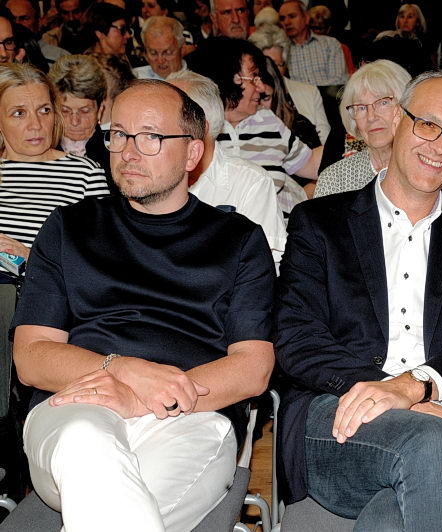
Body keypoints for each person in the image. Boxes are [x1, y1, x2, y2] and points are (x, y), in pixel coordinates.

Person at [12, 79, 275, 531]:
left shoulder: (239, 240)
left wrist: (143, 398)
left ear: (193, 153)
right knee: (84, 440)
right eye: (119, 134)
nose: (129, 151)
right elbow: (31, 355)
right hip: (77, 403)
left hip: (193, 414)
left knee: (118, 504)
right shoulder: (70, 227)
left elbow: (253, 367)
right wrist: (123, 369)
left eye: (150, 136)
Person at [275, 70, 442, 530]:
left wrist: (415, 388)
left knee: (394, 515)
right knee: (432, 441)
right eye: (429, 124)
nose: (441, 146)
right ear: (399, 121)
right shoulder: (319, 222)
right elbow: (297, 339)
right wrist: (406, 395)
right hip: (340, 414)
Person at [167, 70, 287, 270]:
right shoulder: (149, 176)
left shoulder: (250, 183)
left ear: (200, 127)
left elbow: (265, 267)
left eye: (166, 119)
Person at [189, 37, 320, 211]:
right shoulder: (196, 128)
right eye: (253, 77)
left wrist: (349, 137)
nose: (261, 87)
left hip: (283, 225)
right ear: (228, 78)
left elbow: (310, 163)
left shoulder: (266, 120)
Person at [0, 64, 108, 266]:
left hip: (40, 285)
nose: (36, 125)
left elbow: (100, 264)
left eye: (44, 110)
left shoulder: (85, 175)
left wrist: (30, 257)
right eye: (19, 113)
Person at [314, 60, 409, 197]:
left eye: (383, 103)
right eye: (362, 107)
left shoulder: (429, 172)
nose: (371, 117)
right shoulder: (334, 181)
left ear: (406, 106)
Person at [248, 23, 330, 145]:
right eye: (266, 65)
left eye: (277, 65)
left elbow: (325, 138)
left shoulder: (309, 92)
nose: (272, 71)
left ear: (285, 65)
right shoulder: (249, 98)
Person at [48, 54, 114, 191]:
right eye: (65, 111)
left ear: (100, 108)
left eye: (84, 111)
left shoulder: (115, 153)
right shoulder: (41, 149)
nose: (74, 121)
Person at [278, 0, 348, 87]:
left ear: (306, 18)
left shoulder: (330, 44)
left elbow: (339, 81)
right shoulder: (280, 50)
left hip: (329, 95)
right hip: (296, 95)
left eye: (292, 16)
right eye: (282, 19)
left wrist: (311, 92)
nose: (286, 22)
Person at [6, 0, 69, 65]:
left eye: (24, 18)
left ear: (38, 22)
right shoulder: (3, 58)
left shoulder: (60, 59)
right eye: (11, 19)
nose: (17, 23)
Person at [134, 16, 187, 80]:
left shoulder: (195, 81)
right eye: (153, 53)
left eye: (167, 52)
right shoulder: (134, 78)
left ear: (182, 49)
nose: (160, 61)